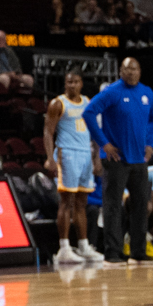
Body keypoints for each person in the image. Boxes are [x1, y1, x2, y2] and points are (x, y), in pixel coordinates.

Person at [86, 57, 153, 264]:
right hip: (116, 158)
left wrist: (151, 143)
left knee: (140, 206)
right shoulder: (112, 91)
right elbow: (89, 113)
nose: (131, 73)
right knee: (112, 205)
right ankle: (113, 251)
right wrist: (104, 143)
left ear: (140, 71)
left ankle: (138, 250)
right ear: (121, 71)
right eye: (127, 69)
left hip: (139, 159)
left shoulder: (147, 92)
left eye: (134, 69)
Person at [43, 70, 100, 264]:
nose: (72, 85)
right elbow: (48, 131)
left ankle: (83, 245)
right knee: (66, 201)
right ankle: (64, 247)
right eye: (68, 82)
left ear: (81, 83)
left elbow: (95, 132)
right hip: (67, 153)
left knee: (82, 202)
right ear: (65, 84)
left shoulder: (88, 102)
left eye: (75, 82)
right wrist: (50, 157)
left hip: (85, 154)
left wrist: (97, 158)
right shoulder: (58, 103)